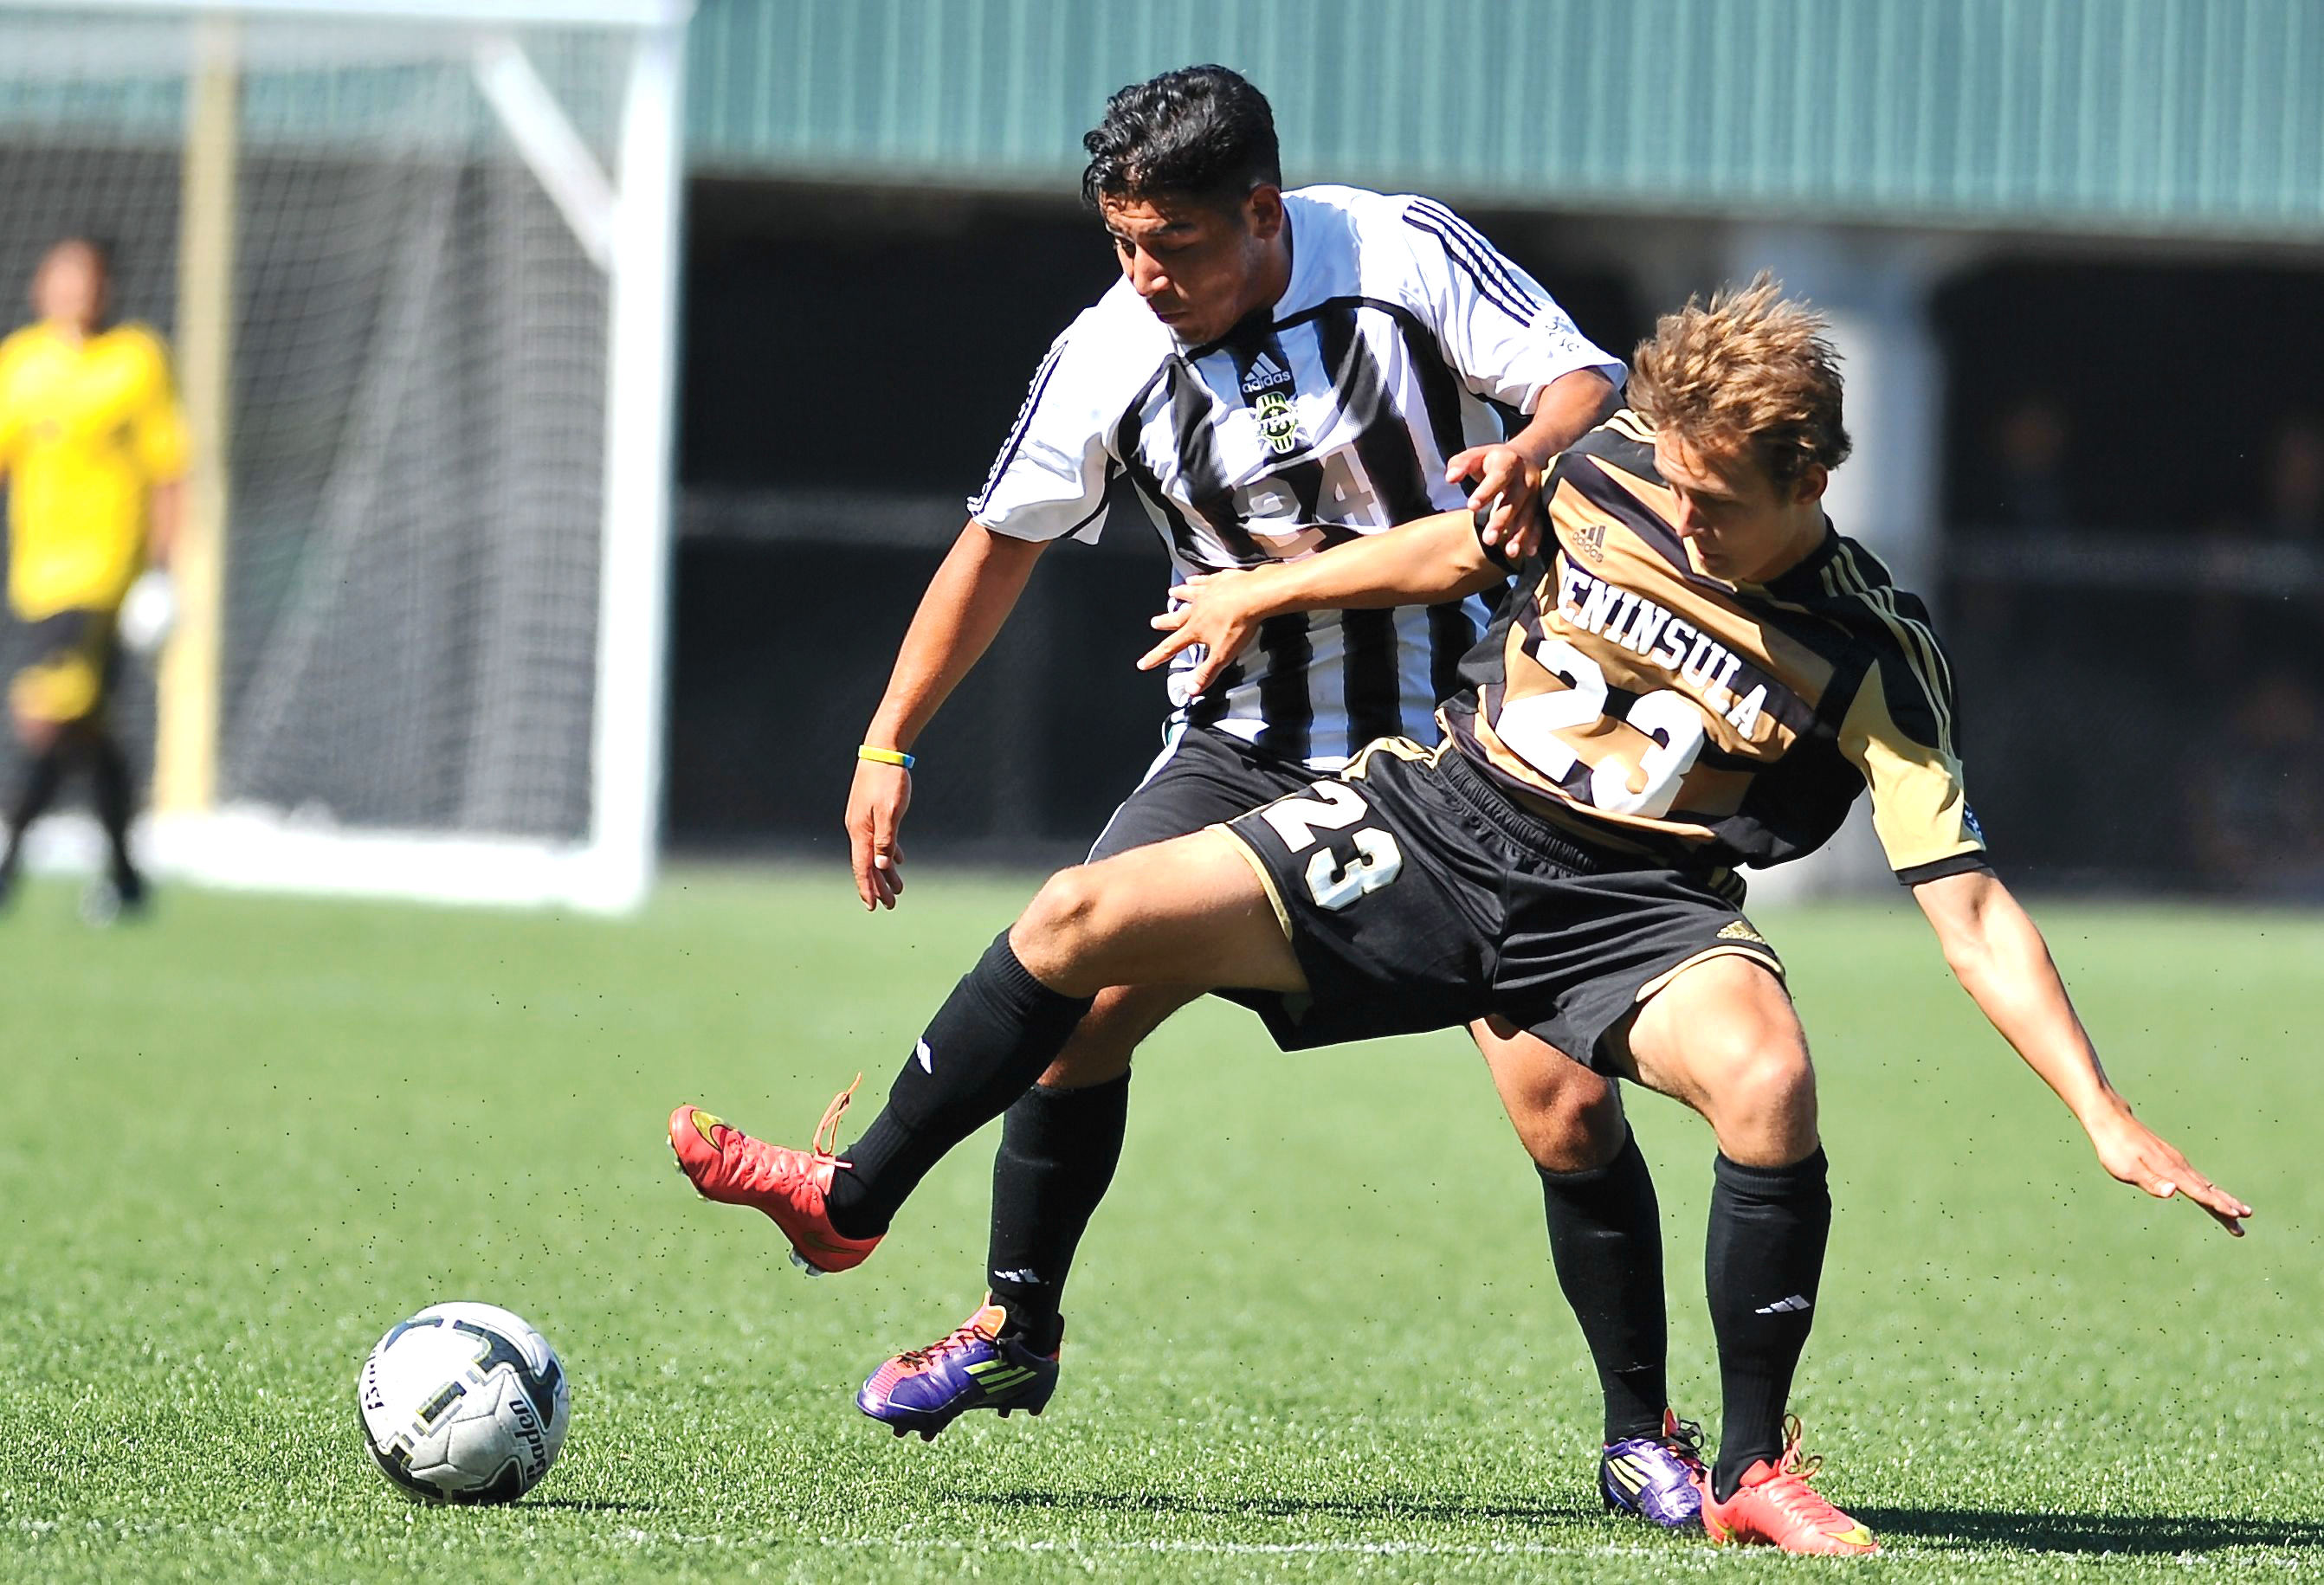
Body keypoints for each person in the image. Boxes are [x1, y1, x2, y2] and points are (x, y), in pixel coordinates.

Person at [671, 277, 2250, 1556]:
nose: (1681, 518)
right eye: (1674, 485)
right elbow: (1464, 541)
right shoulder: (1613, 463)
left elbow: (1964, 903)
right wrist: (1261, 592)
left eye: (1718, 505)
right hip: (1438, 822)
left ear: (1811, 482)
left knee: (1740, 1082)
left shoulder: (1870, 653)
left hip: (1633, 911)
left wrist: (2097, 1111)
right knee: (1081, 919)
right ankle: (854, 1195)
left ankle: (1743, 1468)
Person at [805, 65, 1707, 1526]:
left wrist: (1533, 447)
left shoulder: (1400, 254)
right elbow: (995, 544)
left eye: (1176, 244)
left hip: (1465, 749)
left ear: (1263, 210)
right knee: (1072, 1007)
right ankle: (1010, 1332)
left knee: (1557, 1102)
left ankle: (1637, 1431)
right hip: (1236, 746)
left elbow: (1581, 375)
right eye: (1122, 243)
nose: (1147, 276)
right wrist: (886, 741)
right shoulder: (1106, 352)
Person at [0, 237, 186, 920]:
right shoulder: (19, 364)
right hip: (35, 581)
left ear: (106, 286)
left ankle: (7, 867)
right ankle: (128, 880)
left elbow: (171, 472)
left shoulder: (136, 361)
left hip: (104, 578)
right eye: (60, 275)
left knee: (45, 716)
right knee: (88, 730)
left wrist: (163, 574)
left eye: (85, 277)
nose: (72, 289)